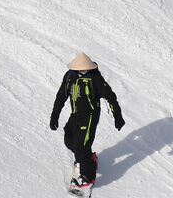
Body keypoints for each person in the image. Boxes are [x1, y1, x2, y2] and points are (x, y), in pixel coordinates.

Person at [50, 51, 125, 188]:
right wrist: (55, 116)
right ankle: (88, 159)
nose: (83, 71)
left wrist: (118, 116)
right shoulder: (70, 77)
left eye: (85, 69)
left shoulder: (95, 78)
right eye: (80, 69)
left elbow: (110, 96)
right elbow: (61, 96)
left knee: (82, 146)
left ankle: (87, 177)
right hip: (76, 114)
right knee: (69, 140)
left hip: (90, 116)